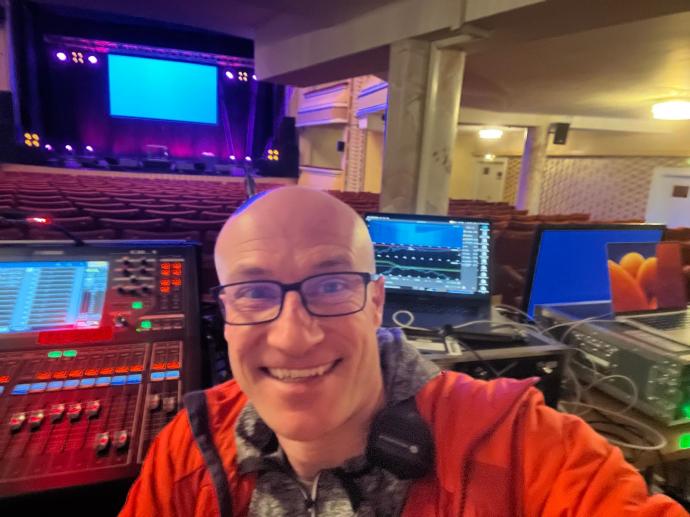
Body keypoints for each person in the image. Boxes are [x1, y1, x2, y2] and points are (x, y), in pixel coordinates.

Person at [120, 186, 687, 516]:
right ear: (225, 313)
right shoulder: (186, 448)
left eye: (332, 285)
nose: (294, 337)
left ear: (375, 302)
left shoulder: (528, 446)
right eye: (254, 292)